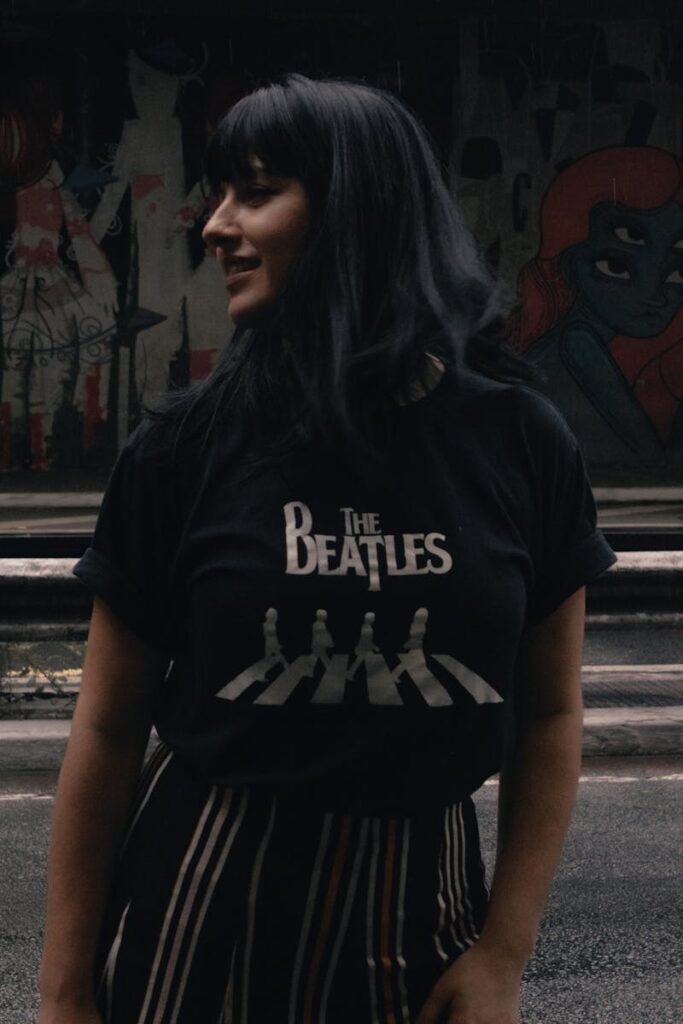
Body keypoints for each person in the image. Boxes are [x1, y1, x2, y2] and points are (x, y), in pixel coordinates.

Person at [38, 74, 615, 1024]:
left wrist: (503, 954)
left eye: (254, 193)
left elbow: (549, 713)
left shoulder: (519, 440)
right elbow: (104, 730)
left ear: (358, 214)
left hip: (424, 932)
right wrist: (64, 996)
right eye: (218, 195)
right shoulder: (183, 449)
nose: (215, 226)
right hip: (196, 924)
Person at [510, 145, 683, 469]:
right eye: (617, 266)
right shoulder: (576, 345)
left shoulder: (576, 344)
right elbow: (652, 469)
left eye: (677, 272)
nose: (655, 296)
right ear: (570, 256)